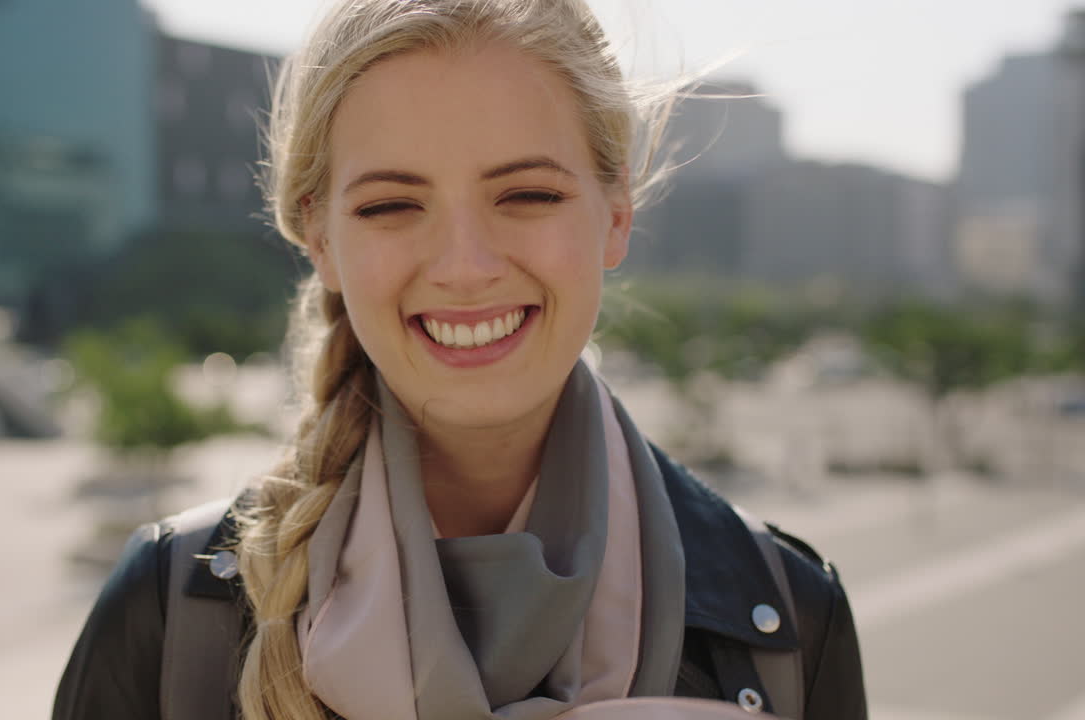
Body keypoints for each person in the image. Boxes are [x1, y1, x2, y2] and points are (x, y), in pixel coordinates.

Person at [53, 0, 867, 718]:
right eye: (392, 205)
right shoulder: (168, 614)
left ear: (616, 211)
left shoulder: (790, 618)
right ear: (321, 239)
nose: (466, 266)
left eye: (527, 195)